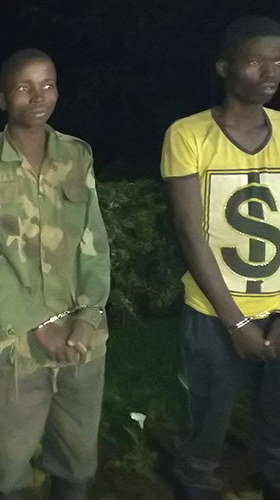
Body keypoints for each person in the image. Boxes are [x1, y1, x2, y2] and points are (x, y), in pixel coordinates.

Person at [0, 49, 111, 500]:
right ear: (3, 99)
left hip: (82, 341)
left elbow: (94, 244)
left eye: (48, 85)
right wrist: (38, 324)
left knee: (77, 459)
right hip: (14, 346)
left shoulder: (77, 155)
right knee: (7, 466)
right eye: (24, 87)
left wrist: (89, 317)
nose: (38, 96)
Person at [162, 16, 280, 500]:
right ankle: (195, 482)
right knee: (206, 423)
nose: (270, 72)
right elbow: (190, 234)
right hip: (213, 313)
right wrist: (236, 323)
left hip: (278, 309)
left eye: (278, 62)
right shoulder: (188, 134)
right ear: (224, 68)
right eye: (255, 61)